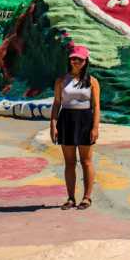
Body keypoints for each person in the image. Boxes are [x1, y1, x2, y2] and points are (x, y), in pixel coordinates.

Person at [48, 45, 101, 210]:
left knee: (86, 161)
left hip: (85, 119)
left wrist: (95, 127)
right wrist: (53, 124)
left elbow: (96, 105)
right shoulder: (61, 80)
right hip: (66, 119)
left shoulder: (92, 81)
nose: (76, 61)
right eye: (73, 58)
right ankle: (71, 198)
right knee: (69, 162)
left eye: (80, 59)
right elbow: (57, 103)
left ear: (86, 61)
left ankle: (86, 198)